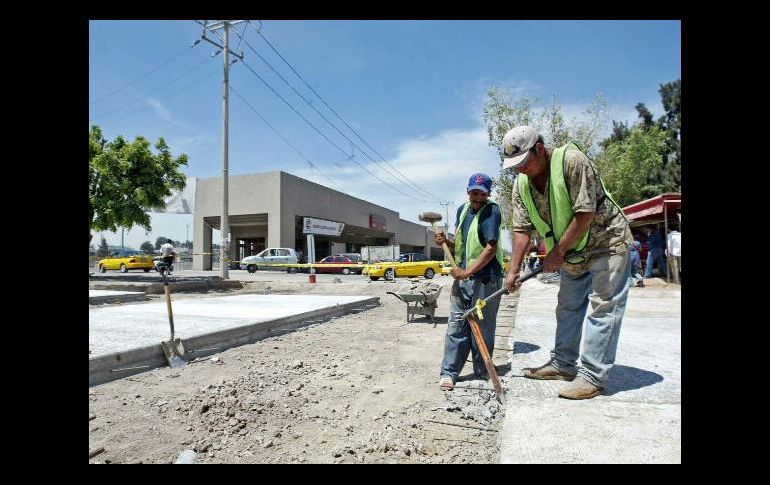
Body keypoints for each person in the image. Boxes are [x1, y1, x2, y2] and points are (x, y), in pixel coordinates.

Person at [501, 125, 634, 400]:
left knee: (604, 308)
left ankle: (593, 376)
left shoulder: (572, 161)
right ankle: (562, 363)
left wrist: (557, 254)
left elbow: (584, 214)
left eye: (524, 163)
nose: (520, 170)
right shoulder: (521, 183)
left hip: (605, 242)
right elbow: (522, 229)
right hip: (573, 249)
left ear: (539, 148)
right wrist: (513, 270)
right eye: (515, 166)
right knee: (568, 307)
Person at [435, 173, 505, 391]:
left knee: (482, 326)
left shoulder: (492, 211)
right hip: (464, 277)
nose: (477, 197)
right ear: (468, 191)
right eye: (474, 192)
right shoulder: (462, 210)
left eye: (482, 193)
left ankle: (482, 370)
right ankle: (449, 373)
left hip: (486, 278)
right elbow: (461, 245)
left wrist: (467, 272)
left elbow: (491, 248)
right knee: (456, 324)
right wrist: (446, 241)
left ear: (488, 194)